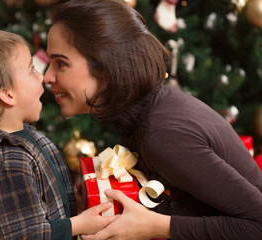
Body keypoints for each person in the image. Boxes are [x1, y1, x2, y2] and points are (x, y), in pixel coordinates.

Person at [43, 0, 262, 239]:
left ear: (106, 67)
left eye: (61, 63)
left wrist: (156, 226)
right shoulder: (149, 109)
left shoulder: (161, 134)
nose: (47, 77)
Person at [0, 30, 117, 239]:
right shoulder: (9, 162)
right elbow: (27, 235)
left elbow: (37, 209)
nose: (42, 76)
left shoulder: (24, 136)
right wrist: (78, 225)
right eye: (31, 69)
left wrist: (70, 205)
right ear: (8, 94)